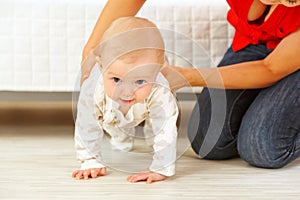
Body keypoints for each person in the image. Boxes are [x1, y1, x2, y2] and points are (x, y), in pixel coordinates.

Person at [81, 0, 300, 169]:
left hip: (288, 57)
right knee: (209, 142)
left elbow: (271, 68)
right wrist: (92, 49)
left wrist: (187, 76)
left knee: (262, 147)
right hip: (254, 41)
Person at [72, 16, 179, 184]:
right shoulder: (93, 89)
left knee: (157, 126)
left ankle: (149, 138)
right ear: (101, 66)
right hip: (110, 109)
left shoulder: (160, 90)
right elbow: (87, 125)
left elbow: (165, 129)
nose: (127, 92)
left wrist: (161, 166)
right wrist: (90, 160)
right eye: (116, 79)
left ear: (158, 71)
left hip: (146, 106)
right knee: (111, 121)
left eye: (140, 81)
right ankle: (121, 138)